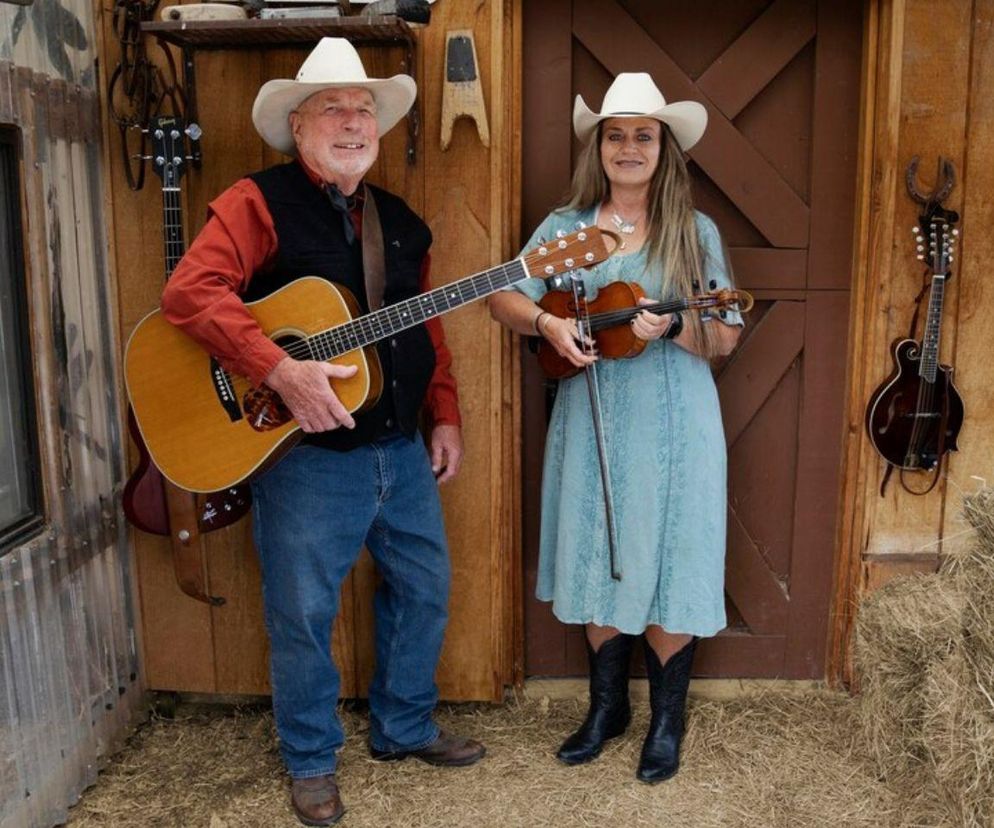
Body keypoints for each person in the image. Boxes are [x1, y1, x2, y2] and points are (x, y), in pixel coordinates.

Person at [160, 38, 485, 826]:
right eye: (333, 107)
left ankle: (403, 726)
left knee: (426, 590)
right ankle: (310, 760)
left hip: (399, 451)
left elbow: (427, 329)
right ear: (297, 126)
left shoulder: (401, 222)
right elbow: (191, 291)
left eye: (364, 108)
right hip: (305, 459)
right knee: (301, 614)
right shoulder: (256, 202)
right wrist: (278, 368)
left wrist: (443, 412)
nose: (352, 121)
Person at [489, 72, 742, 783]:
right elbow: (504, 298)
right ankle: (607, 709)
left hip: (678, 421)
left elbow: (725, 338)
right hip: (594, 411)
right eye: (616, 134)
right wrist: (546, 322)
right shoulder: (565, 228)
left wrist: (678, 328)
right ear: (597, 147)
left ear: (665, 150)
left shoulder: (697, 233)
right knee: (597, 544)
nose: (629, 147)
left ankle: (666, 721)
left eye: (644, 135)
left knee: (674, 549)